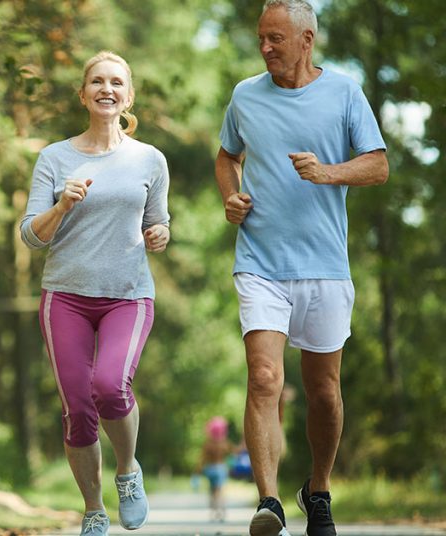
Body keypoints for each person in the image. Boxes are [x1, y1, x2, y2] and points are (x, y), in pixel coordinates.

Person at [214, 1, 389, 535]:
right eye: (261, 38)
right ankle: (268, 503)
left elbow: (378, 165)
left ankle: (318, 489)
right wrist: (232, 197)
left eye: (276, 39)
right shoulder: (245, 95)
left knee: (323, 393)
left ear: (307, 39)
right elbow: (227, 156)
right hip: (261, 259)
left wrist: (328, 172)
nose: (265, 48)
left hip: (325, 265)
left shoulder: (344, 92)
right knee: (264, 378)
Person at [21, 50, 171, 536]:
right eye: (97, 82)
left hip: (127, 294)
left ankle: (128, 471)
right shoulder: (54, 157)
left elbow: (158, 223)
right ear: (83, 93)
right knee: (77, 408)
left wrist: (161, 234)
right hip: (64, 295)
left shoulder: (150, 159)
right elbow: (30, 234)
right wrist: (62, 204)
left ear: (128, 95)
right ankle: (93, 508)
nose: (107, 89)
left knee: (110, 386)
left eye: (116, 83)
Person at [196, 416, 235, 522]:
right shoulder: (224, 443)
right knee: (220, 490)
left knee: (212, 490)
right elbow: (233, 453)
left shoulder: (208, 444)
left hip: (210, 469)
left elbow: (202, 458)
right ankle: (221, 511)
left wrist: (198, 470)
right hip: (221, 468)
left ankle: (213, 511)